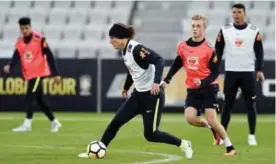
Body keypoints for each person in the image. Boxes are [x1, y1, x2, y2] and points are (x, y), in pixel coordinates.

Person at [80, 23, 193, 159]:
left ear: (121, 37)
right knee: (116, 121)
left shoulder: (136, 49)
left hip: (152, 96)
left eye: (113, 38)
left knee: (151, 135)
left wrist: (156, 82)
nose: (110, 42)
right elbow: (133, 70)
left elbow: (159, 60)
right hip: (137, 95)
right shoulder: (124, 51)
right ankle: (99, 149)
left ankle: (183, 144)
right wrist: (127, 87)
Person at [163, 15, 237, 156]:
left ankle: (230, 147)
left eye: (198, 26)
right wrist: (167, 79)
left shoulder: (209, 49)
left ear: (204, 29)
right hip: (192, 89)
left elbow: (215, 72)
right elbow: (177, 64)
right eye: (193, 26)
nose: (195, 29)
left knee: (212, 119)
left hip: (209, 87)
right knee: (190, 118)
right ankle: (210, 127)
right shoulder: (183, 46)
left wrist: (203, 82)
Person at [215, 3, 264, 146]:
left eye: (239, 12)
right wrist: (215, 69)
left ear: (244, 14)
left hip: (248, 72)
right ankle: (223, 137)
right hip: (231, 72)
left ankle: (251, 135)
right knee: (227, 105)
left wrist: (259, 70)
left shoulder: (254, 31)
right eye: (234, 12)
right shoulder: (225, 30)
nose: (236, 14)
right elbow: (218, 51)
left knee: (251, 105)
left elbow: (259, 52)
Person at [3, 17, 62, 133]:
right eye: (22, 29)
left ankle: (27, 124)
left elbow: (49, 55)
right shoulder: (19, 42)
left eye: (26, 28)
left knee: (29, 96)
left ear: (30, 27)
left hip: (40, 72)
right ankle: (54, 121)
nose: (25, 30)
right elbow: (17, 55)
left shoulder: (39, 39)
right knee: (40, 100)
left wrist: (56, 73)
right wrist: (10, 65)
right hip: (30, 74)